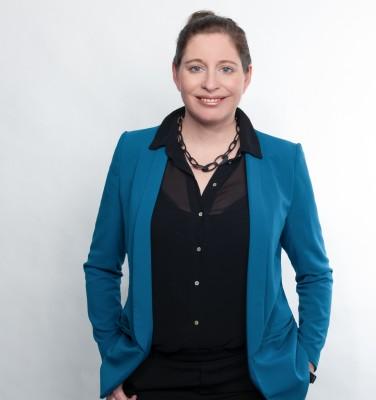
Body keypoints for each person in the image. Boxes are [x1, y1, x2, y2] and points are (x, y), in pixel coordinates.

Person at [83, 10, 333, 400]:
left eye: (226, 68)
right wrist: (115, 359)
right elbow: (102, 266)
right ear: (176, 73)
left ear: (247, 76)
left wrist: (307, 360)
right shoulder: (133, 153)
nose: (211, 83)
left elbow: (314, 273)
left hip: (254, 383)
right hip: (151, 378)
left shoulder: (284, 161)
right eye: (196, 67)